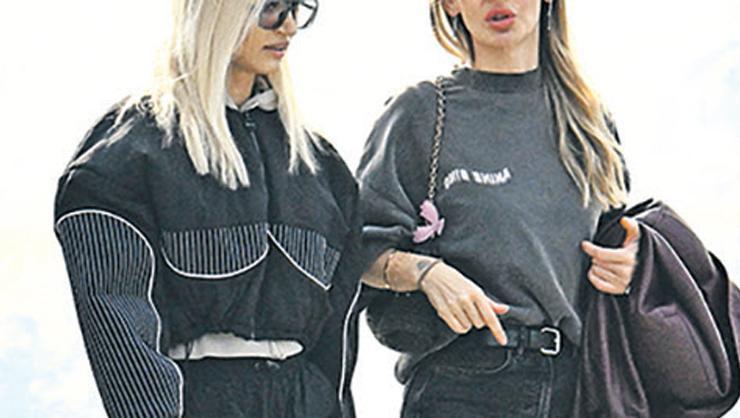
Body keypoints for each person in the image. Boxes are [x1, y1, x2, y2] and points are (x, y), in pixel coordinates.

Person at [53, 1, 364, 417]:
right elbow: (118, 326)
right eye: (271, 8)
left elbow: (338, 336)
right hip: (196, 398)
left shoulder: (320, 165)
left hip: (304, 401)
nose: (289, 26)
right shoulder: (129, 155)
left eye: (298, 7)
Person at [356, 0, 640, 416]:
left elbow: (616, 237)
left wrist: (629, 268)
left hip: (577, 388)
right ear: (451, 4)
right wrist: (427, 274)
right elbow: (358, 250)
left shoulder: (589, 121)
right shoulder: (421, 112)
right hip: (461, 385)